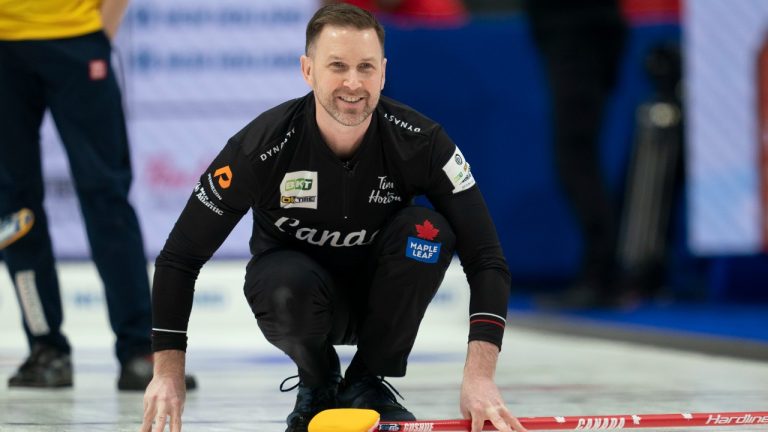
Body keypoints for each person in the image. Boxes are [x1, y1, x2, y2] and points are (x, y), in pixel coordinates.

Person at [140, 4, 525, 432]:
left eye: (365, 67)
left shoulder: (423, 142)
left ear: (383, 72)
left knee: (428, 232)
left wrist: (480, 378)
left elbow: (487, 259)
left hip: (381, 301)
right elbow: (179, 258)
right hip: (294, 298)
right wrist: (167, 374)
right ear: (308, 70)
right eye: (337, 66)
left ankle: (366, 381)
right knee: (285, 279)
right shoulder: (259, 148)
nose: (353, 83)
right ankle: (318, 381)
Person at [0, 0, 195, 390]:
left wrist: (97, 33)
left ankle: (140, 347)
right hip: (5, 49)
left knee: (105, 196)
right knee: (14, 208)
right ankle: (46, 348)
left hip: (77, 37)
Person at [524, 0, 628, 309]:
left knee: (575, 157)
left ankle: (603, 276)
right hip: (579, 33)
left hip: (578, 34)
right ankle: (603, 274)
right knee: (577, 156)